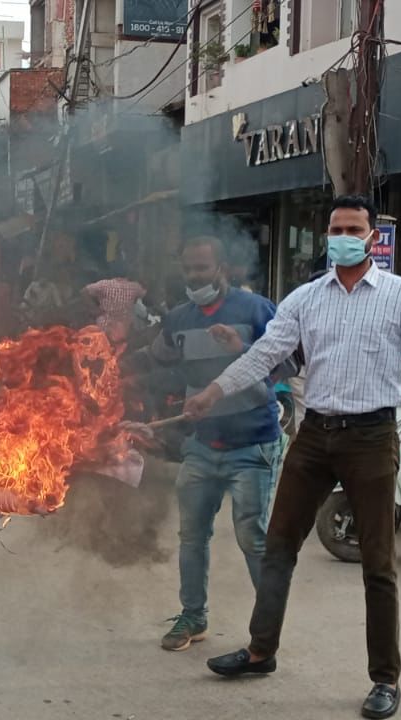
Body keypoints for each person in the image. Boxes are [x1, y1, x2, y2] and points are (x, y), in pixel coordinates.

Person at [187, 195, 401, 720]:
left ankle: (384, 680)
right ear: (325, 235)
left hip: (372, 438)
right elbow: (265, 355)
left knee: (378, 565)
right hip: (312, 437)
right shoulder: (305, 299)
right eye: (335, 228)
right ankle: (261, 650)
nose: (343, 236)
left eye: (354, 228)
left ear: (373, 238)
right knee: (279, 548)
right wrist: (213, 392)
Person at [144, 236, 289, 652]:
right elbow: (157, 359)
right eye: (188, 270)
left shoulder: (257, 309)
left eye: (202, 269)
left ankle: (267, 628)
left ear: (221, 267)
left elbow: (288, 362)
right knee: (191, 536)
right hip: (202, 445)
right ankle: (193, 616)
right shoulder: (176, 318)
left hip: (253, 444)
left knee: (253, 538)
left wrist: (242, 348)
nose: (194, 277)